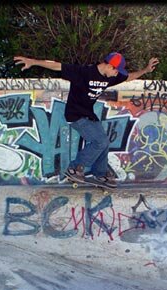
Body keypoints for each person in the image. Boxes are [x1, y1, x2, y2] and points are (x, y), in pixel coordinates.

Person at [13, 52, 159, 189]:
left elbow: (128, 77)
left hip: (89, 115)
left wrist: (145, 70)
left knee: (104, 142)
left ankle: (100, 175)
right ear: (108, 66)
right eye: (116, 70)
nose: (116, 74)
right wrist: (33, 62)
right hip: (75, 115)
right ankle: (75, 168)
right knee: (99, 142)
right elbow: (57, 65)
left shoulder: (110, 77)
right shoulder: (83, 72)